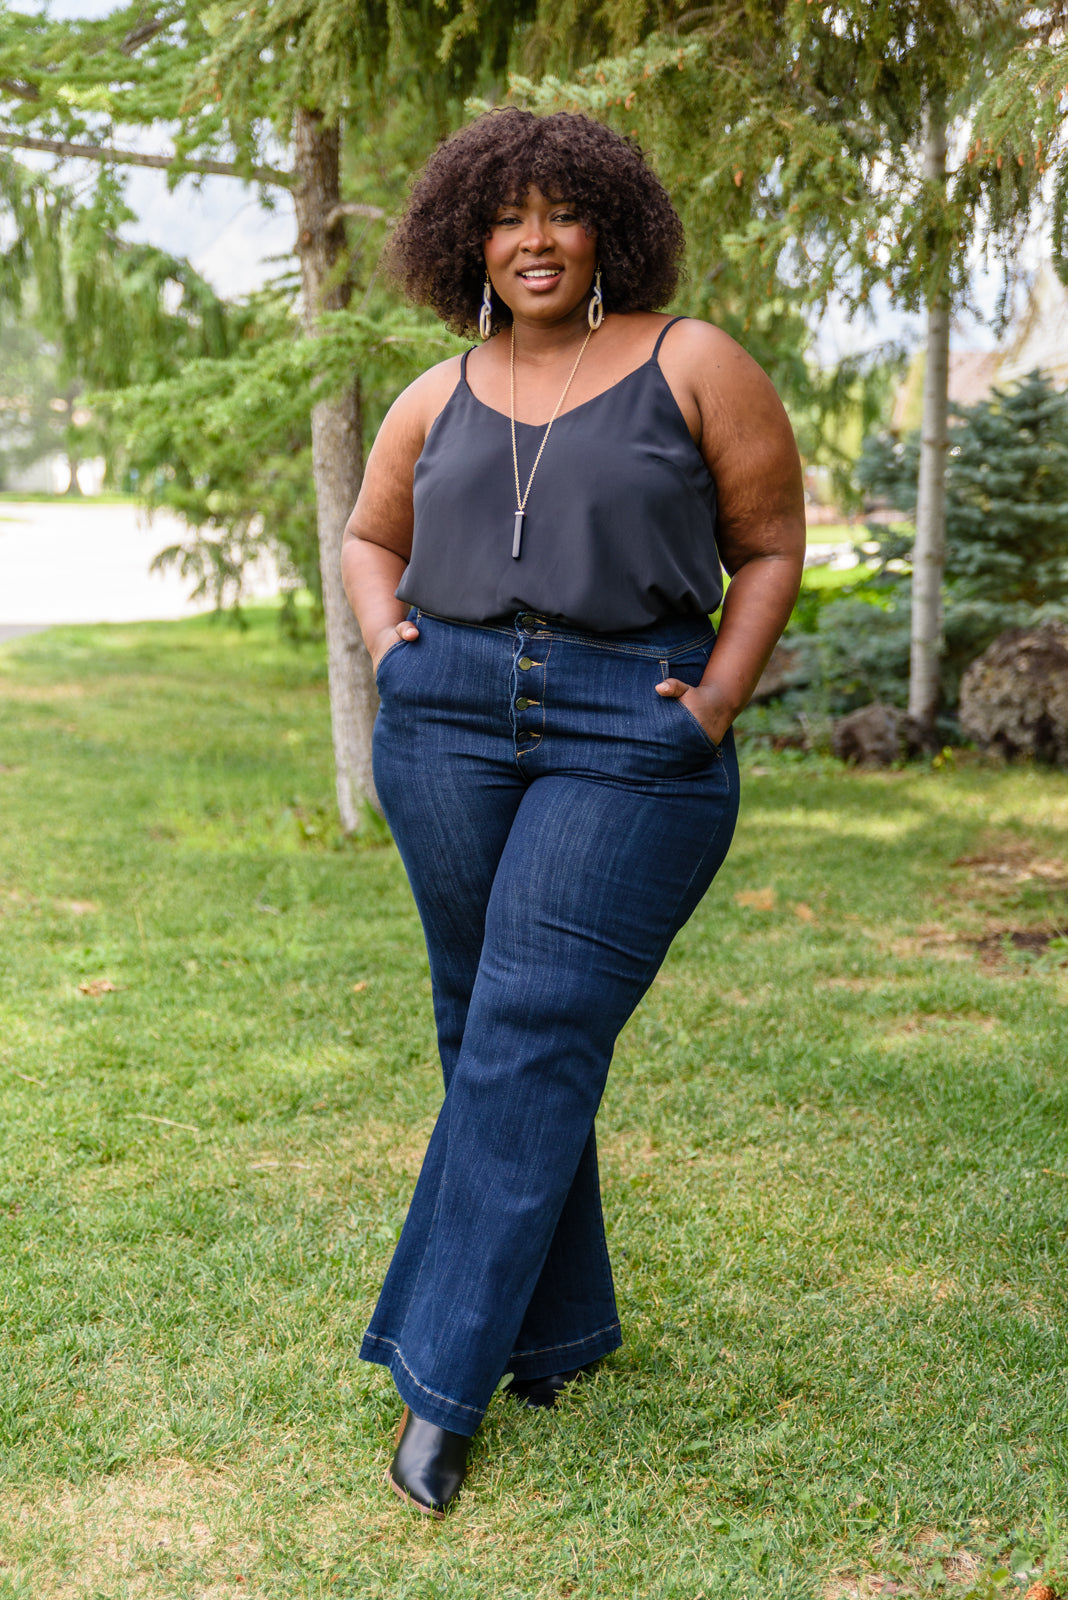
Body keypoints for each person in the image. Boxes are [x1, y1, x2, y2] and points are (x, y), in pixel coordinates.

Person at [340, 107, 805, 1519]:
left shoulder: (691, 361)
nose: (533, 239)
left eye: (560, 211)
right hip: (448, 720)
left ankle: (441, 1386)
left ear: (610, 228)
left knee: (531, 1023)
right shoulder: (436, 392)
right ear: (468, 240)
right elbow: (371, 535)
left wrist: (714, 702)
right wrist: (391, 647)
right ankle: (553, 1337)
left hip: (628, 721)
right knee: (485, 1027)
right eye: (506, 216)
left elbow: (770, 544)